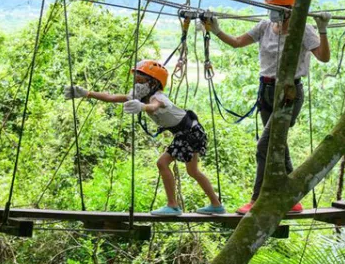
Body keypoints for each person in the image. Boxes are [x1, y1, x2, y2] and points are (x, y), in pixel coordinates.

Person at [204, 0, 331, 214]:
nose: (271, 11)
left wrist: (322, 30)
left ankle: (257, 200)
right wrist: (216, 30)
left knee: (265, 145)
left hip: (289, 94)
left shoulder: (303, 29)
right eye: (269, 7)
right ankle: (292, 198)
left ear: (291, 10)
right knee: (276, 143)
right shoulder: (265, 26)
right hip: (266, 90)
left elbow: (323, 57)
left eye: (276, 8)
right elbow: (237, 42)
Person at [64, 59, 225, 216]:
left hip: (189, 133)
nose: (137, 85)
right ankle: (216, 205)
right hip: (190, 131)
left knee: (163, 163)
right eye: (137, 80)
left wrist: (142, 107)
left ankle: (173, 205)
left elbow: (154, 106)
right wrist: (86, 93)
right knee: (193, 171)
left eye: (141, 81)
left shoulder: (158, 97)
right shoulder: (142, 97)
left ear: (153, 84)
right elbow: (112, 97)